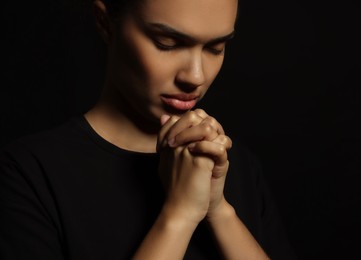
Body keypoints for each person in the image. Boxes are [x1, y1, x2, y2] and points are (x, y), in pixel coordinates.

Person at [0, 0, 296, 259]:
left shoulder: (237, 165)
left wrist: (219, 211)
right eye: (167, 43)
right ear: (105, 23)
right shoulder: (27, 174)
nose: (195, 76)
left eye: (215, 48)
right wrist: (179, 214)